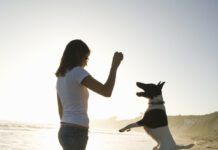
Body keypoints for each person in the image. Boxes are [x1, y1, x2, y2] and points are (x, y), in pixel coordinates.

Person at [55, 39, 123, 150]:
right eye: (86, 58)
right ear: (78, 55)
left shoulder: (60, 77)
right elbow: (107, 91)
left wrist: (70, 125)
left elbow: (60, 109)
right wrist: (114, 66)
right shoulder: (78, 72)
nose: (87, 62)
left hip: (64, 130)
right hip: (75, 132)